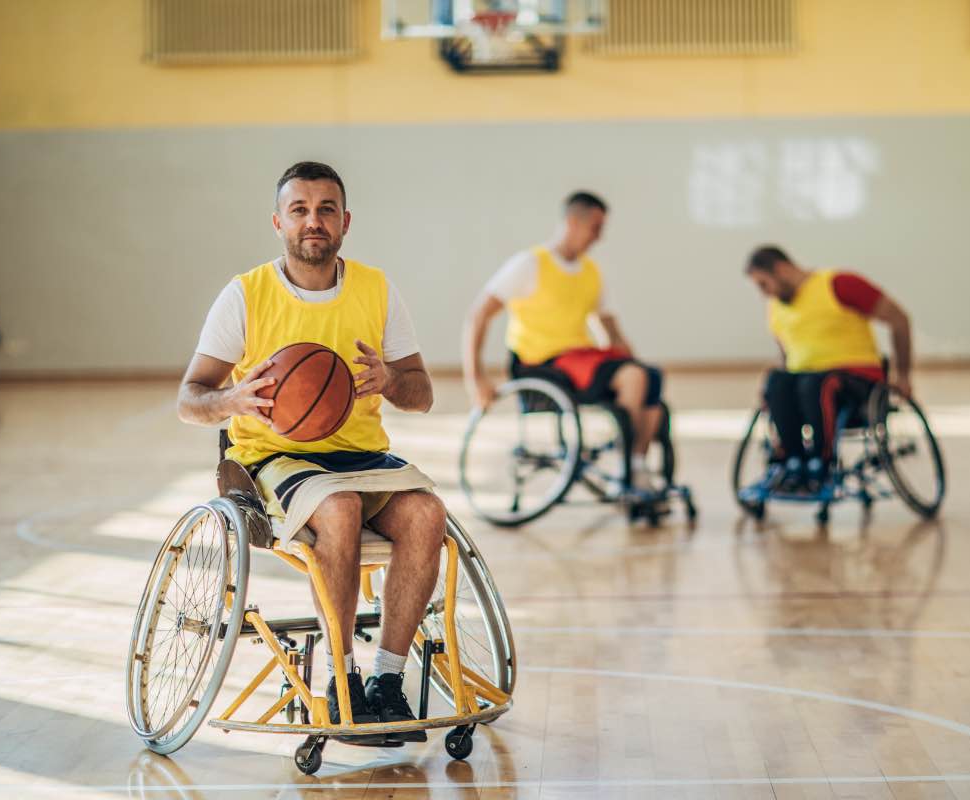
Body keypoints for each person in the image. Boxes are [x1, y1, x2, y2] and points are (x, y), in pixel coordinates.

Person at [177, 161, 442, 746]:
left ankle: (387, 683)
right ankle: (340, 679)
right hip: (274, 458)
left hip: (361, 454)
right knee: (341, 507)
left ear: (345, 222)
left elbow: (421, 393)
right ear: (279, 222)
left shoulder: (376, 289)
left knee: (428, 513)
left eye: (326, 210)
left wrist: (392, 383)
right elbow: (189, 399)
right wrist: (235, 398)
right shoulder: (245, 294)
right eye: (299, 210)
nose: (313, 221)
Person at [462, 191, 665, 493]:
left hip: (581, 358)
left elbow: (611, 328)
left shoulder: (591, 272)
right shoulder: (529, 264)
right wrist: (476, 377)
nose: (599, 237)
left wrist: (634, 363)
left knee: (650, 378)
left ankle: (636, 463)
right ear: (572, 222)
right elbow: (478, 316)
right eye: (595, 228)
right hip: (542, 362)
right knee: (635, 377)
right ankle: (630, 468)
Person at [745, 245, 913, 492]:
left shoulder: (839, 284)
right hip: (807, 384)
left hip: (857, 381)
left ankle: (820, 462)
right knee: (777, 380)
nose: (764, 294)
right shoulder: (776, 308)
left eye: (763, 284)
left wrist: (904, 375)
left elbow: (899, 320)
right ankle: (791, 461)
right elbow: (786, 358)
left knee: (817, 383)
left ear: (781, 269)